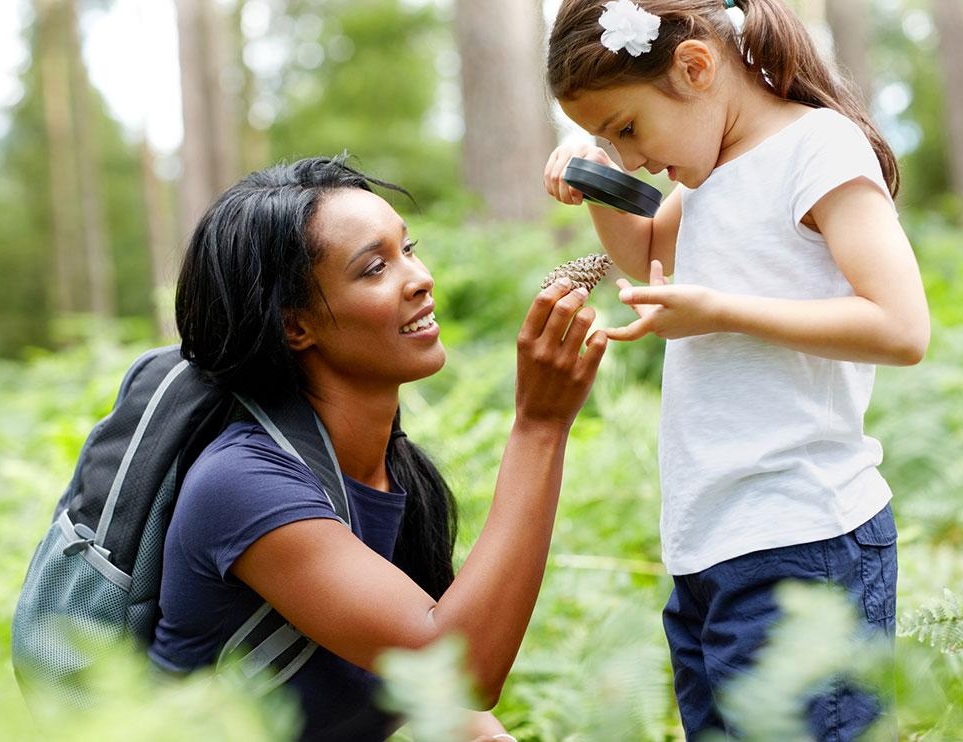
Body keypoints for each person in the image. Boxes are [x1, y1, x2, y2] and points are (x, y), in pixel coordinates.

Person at [542, 1, 929, 739]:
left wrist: (721, 311)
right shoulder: (708, 168)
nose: (628, 156)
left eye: (626, 129)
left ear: (695, 67)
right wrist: (600, 186)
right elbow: (651, 255)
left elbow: (902, 326)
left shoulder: (819, 149)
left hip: (805, 540)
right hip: (710, 543)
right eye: (606, 139)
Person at [149, 155, 608, 741]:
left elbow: (454, 710)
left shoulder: (395, 476)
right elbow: (459, 671)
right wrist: (540, 425)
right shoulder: (242, 486)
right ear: (295, 327)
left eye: (408, 248)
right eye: (374, 269)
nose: (420, 277)